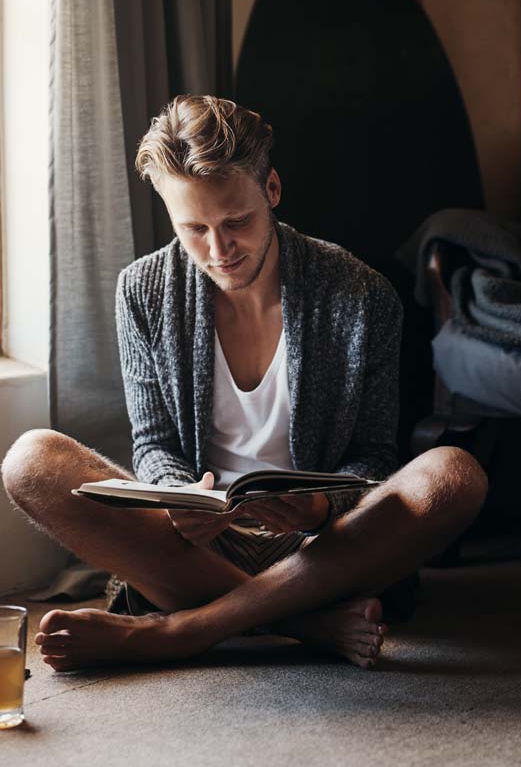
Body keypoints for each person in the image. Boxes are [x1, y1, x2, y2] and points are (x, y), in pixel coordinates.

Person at [2, 96, 487, 672]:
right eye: (194, 229)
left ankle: (180, 630)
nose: (219, 250)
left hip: (324, 549)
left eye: (237, 222)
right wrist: (179, 500)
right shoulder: (142, 290)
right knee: (31, 461)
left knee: (454, 473)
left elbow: (373, 459)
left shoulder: (362, 296)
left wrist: (316, 507)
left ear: (272, 190)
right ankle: (299, 621)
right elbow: (153, 443)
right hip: (196, 547)